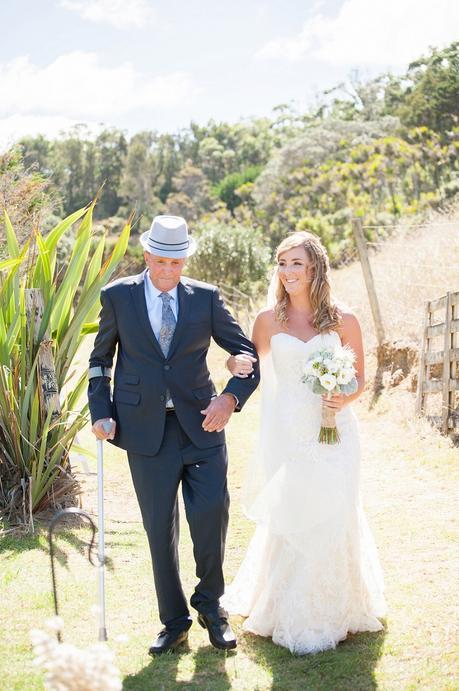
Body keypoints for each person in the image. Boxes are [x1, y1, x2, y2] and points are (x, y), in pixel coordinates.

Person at [88, 215, 260, 655]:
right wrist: (101, 412)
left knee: (210, 519)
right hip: (145, 432)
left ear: (185, 260)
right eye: (161, 261)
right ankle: (174, 620)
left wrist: (230, 399)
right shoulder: (118, 297)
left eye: (177, 263)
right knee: (158, 529)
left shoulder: (205, 298)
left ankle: (211, 607)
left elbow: (245, 351)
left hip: (202, 425)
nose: (168, 271)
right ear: (147, 256)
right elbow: (100, 360)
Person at [222, 230, 386, 655]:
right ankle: (287, 608)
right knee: (293, 514)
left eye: (296, 263)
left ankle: (335, 609)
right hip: (289, 433)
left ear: (314, 267)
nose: (288, 271)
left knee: (334, 511)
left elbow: (360, 379)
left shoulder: (343, 319)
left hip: (335, 433)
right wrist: (231, 362)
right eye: (282, 263)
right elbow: (251, 371)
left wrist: (342, 395)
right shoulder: (266, 320)